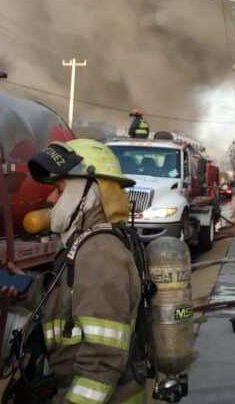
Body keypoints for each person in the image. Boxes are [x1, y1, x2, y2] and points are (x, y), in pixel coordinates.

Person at [23, 139, 146, 404]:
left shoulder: (100, 252)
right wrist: (26, 286)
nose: (50, 198)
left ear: (88, 190)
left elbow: (101, 362)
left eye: (58, 189)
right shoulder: (83, 243)